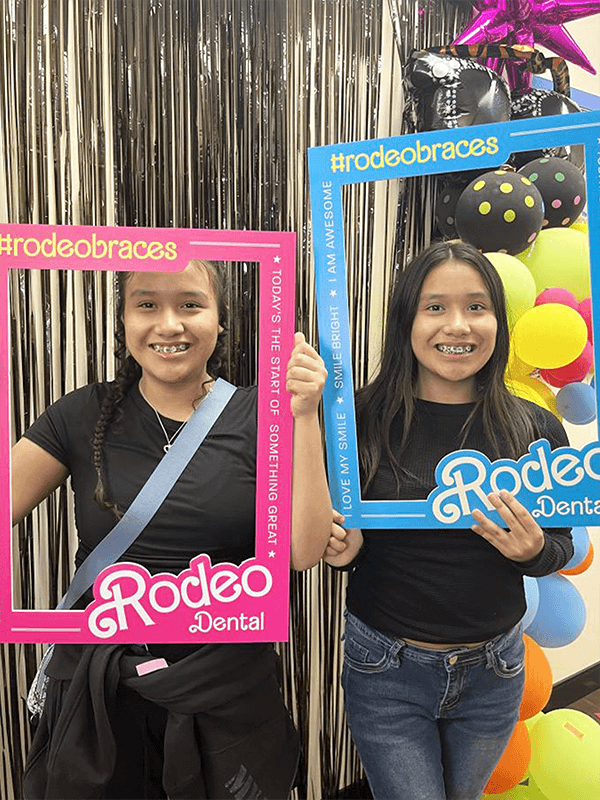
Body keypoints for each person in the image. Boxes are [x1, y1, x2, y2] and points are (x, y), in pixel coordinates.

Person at [12, 259, 332, 800]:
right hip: (104, 695)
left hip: (224, 693)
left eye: (190, 304)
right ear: (124, 320)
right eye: (146, 305)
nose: (169, 324)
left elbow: (303, 551)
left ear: (219, 319)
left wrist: (303, 415)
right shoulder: (80, 414)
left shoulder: (265, 413)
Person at [325, 241, 574, 800]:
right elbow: (350, 539)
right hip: (386, 668)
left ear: (498, 321)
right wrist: (346, 547)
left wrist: (533, 552)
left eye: (477, 306)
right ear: (406, 321)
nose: (457, 325)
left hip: (496, 672)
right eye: (434, 306)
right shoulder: (358, 419)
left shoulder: (534, 427)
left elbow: (561, 545)